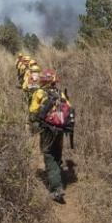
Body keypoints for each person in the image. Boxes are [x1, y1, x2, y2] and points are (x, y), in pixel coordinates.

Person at [29, 69, 70, 203]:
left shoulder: (39, 93)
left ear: (43, 80)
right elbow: (69, 109)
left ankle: (56, 189)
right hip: (60, 129)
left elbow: (33, 111)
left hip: (47, 130)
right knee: (57, 154)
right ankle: (57, 177)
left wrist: (33, 124)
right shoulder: (60, 93)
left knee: (49, 156)